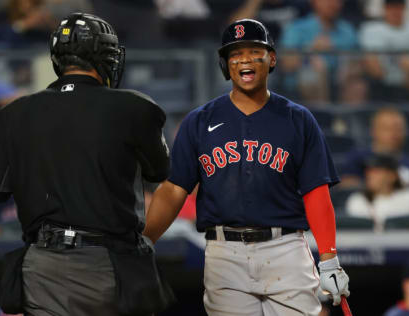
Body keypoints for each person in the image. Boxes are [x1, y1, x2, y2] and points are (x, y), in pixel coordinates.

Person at [143, 19, 350, 315]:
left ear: (272, 59)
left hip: (285, 248)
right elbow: (174, 189)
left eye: (255, 51)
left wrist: (329, 258)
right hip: (224, 252)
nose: (245, 60)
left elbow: (316, 192)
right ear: (225, 65)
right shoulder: (199, 121)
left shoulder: (298, 119)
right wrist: (145, 241)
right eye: (235, 54)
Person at [0, 12, 171, 316]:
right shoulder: (135, 107)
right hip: (108, 264)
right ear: (104, 57)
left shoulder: (13, 114)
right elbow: (160, 173)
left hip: (41, 263)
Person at [279, 0, 357, 104]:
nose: (333, 4)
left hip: (340, 84)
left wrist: (350, 68)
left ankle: (347, 119)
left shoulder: (347, 30)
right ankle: (320, 118)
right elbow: (286, 64)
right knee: (314, 71)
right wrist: (310, 50)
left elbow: (359, 61)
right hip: (300, 88)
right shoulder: (297, 28)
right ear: (314, 2)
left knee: (357, 84)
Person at [341, 107, 409, 188]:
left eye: (399, 129)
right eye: (387, 129)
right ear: (374, 131)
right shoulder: (358, 157)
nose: (394, 133)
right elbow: (347, 185)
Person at [359, 0, 409, 102]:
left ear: (404, 9)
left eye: (398, 7)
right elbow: (373, 67)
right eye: (391, 7)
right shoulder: (371, 29)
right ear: (384, 9)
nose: (395, 11)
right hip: (381, 85)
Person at [345, 153, 409, 231]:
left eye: (376, 171)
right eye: (368, 171)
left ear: (392, 176)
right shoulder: (357, 200)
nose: (369, 175)